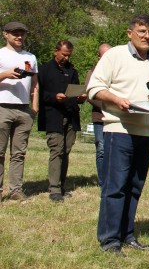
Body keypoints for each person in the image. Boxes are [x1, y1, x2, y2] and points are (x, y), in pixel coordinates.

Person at [87, 14, 149, 255]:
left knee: (135, 186)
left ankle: (127, 234)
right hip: (119, 128)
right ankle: (109, 240)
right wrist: (116, 99)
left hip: (145, 131)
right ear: (130, 33)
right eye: (142, 31)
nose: (147, 36)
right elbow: (94, 88)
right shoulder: (115, 55)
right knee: (116, 186)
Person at [37, 40, 87, 202]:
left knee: (66, 151)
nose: (66, 58)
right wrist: (54, 97)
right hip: (53, 116)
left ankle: (61, 185)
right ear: (55, 51)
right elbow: (38, 93)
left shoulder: (72, 70)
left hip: (71, 115)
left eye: (69, 55)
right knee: (57, 150)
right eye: (64, 55)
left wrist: (80, 97)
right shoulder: (44, 70)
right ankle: (54, 189)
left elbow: (75, 91)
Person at [0, 21, 38, 202]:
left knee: (19, 153)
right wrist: (5, 74)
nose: (19, 36)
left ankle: (15, 189)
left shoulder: (30, 57)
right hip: (2, 107)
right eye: (15, 33)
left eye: (22, 33)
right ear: (5, 34)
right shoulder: (1, 54)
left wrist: (34, 107)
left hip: (24, 109)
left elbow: (35, 84)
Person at [85, 43, 111, 189]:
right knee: (101, 148)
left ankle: (112, 180)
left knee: (114, 150)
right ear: (98, 56)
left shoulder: (116, 71)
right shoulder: (93, 72)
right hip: (99, 117)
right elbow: (91, 94)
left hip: (115, 118)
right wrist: (109, 106)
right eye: (104, 55)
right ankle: (102, 181)